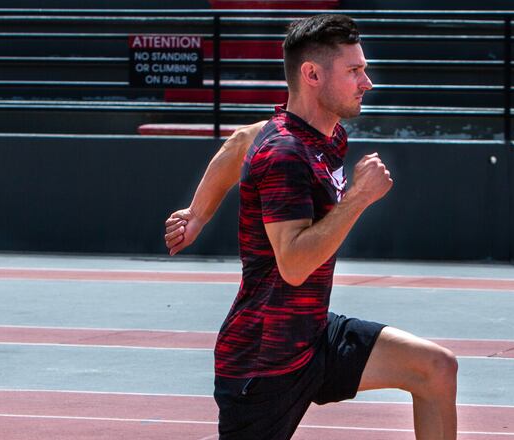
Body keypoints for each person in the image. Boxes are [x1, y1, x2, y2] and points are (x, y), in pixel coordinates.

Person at [163, 14, 458, 440]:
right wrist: (359, 198)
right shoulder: (285, 154)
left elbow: (240, 141)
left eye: (364, 69)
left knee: (436, 368)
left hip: (313, 334)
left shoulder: (320, 134)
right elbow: (294, 265)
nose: (367, 82)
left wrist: (197, 214)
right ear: (312, 74)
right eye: (355, 71)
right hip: (263, 362)